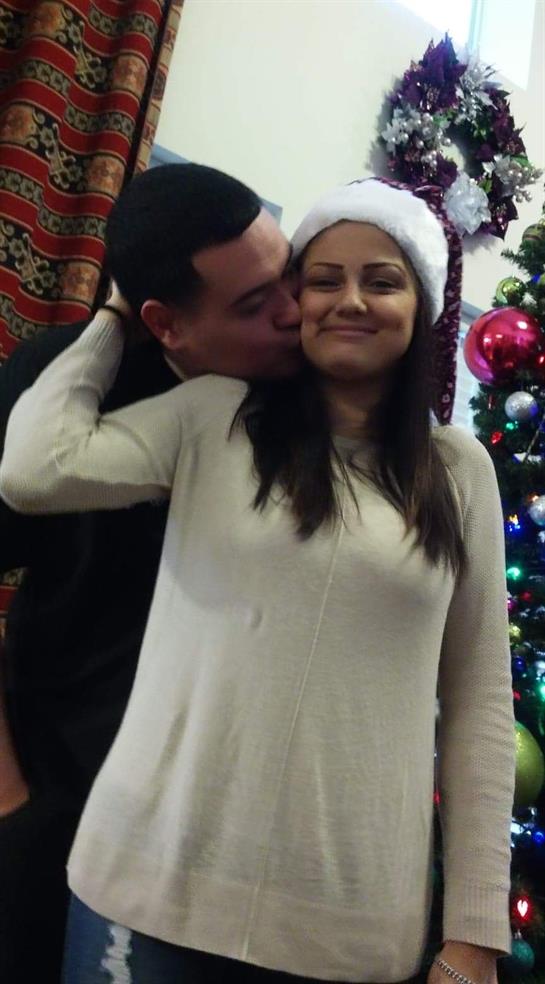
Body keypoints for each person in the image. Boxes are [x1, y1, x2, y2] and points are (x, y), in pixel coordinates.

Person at [0, 178, 515, 984]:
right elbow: (35, 469)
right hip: (139, 881)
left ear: (422, 308)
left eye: (381, 280)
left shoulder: (457, 472)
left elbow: (481, 707)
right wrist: (114, 315)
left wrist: (475, 932)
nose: (342, 301)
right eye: (320, 279)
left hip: (346, 926)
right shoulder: (214, 415)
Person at [0, 162, 300, 984]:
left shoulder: (302, 392)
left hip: (221, 825)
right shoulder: (64, 382)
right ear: (164, 323)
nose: (293, 313)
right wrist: (10, 801)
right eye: (253, 304)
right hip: (62, 785)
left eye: (291, 277)